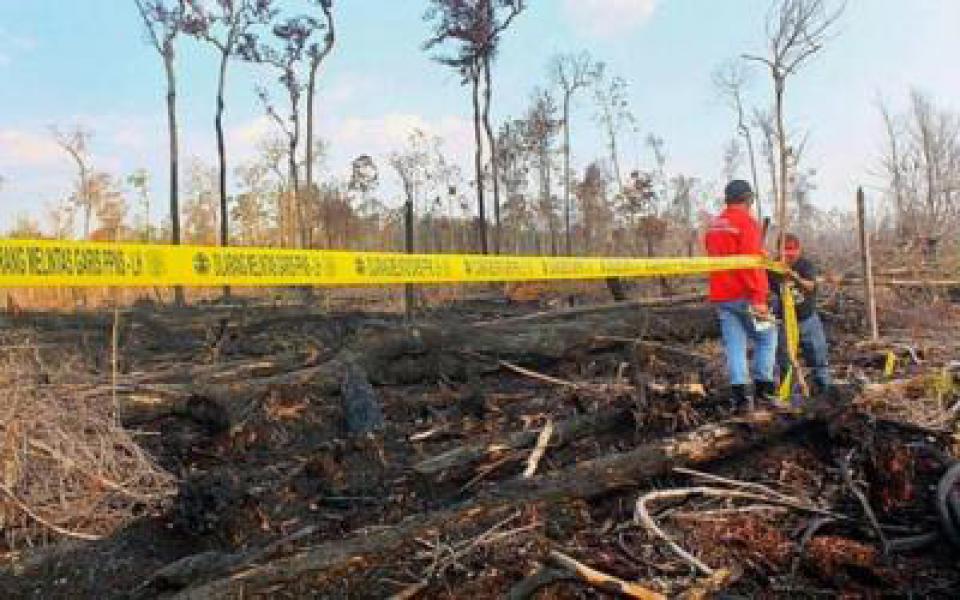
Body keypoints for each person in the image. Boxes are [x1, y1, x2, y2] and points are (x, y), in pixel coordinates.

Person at [705, 180, 778, 409]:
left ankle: (741, 399)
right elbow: (749, 264)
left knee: (735, 346)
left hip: (722, 296)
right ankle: (763, 391)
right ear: (748, 199)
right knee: (767, 338)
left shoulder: (714, 224)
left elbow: (719, 254)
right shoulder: (747, 222)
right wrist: (759, 298)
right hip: (746, 294)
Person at [769, 234, 831, 392]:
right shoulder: (772, 267)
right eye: (785, 249)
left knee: (818, 357)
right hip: (784, 322)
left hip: (807, 319)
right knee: (785, 361)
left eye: (792, 249)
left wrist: (794, 277)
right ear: (778, 250)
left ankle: (825, 389)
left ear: (799, 250)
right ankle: (786, 393)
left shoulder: (805, 265)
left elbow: (810, 286)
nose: (789, 253)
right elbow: (763, 289)